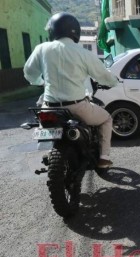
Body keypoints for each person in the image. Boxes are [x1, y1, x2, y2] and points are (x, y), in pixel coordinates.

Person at [24, 12, 118, 169]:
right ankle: (103, 158)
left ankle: (54, 149)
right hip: (77, 106)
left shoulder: (41, 48)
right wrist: (113, 82)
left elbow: (29, 72)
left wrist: (40, 82)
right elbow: (102, 75)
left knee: (44, 120)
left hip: (49, 107)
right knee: (106, 118)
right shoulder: (83, 52)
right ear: (75, 31)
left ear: (52, 30)